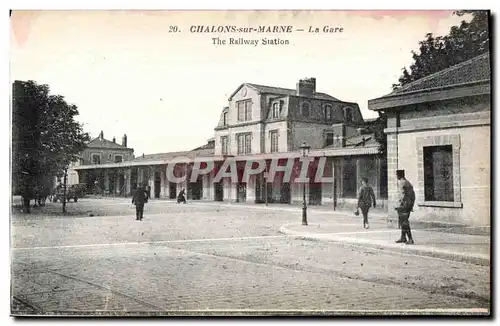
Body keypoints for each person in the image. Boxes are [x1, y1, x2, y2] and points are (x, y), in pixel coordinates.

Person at [395, 170, 416, 244]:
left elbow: (402, 196)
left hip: (404, 206)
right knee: (403, 221)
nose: (396, 176)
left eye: (397, 175)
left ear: (399, 175)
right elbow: (413, 195)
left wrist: (399, 205)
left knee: (404, 222)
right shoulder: (407, 182)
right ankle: (403, 237)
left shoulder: (402, 183)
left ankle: (410, 239)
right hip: (408, 205)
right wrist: (411, 205)